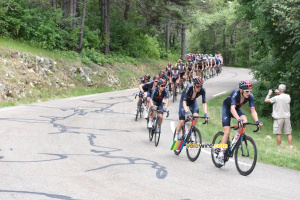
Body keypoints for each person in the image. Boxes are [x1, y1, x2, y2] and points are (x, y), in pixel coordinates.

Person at [218, 80, 262, 165]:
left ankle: (235, 140)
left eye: (250, 91)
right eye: (247, 91)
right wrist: (238, 119)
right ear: (241, 90)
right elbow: (232, 109)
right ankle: (221, 153)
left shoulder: (250, 96)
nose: (249, 93)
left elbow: (253, 110)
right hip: (227, 109)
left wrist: (257, 121)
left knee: (244, 122)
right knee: (227, 131)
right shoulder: (236, 93)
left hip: (236, 109)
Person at [174, 76, 209, 141]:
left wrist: (205, 114)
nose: (199, 88)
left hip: (192, 102)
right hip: (184, 101)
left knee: (196, 116)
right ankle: (177, 134)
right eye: (198, 86)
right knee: (182, 121)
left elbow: (204, 103)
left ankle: (190, 133)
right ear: (194, 85)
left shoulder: (202, 90)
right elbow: (184, 103)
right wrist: (187, 113)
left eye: (201, 86)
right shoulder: (189, 88)